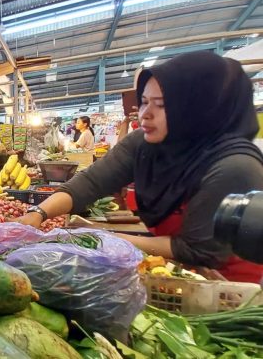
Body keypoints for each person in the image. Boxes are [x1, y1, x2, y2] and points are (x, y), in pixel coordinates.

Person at [14, 51, 263, 283]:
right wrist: (38, 213)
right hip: (173, 274)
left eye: (161, 104)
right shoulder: (145, 145)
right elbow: (90, 183)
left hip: (229, 290)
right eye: (144, 101)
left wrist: (108, 238)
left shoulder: (235, 167)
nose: (145, 114)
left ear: (200, 109)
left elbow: (197, 250)